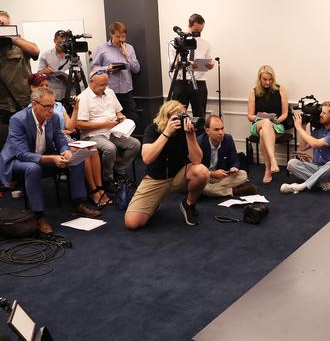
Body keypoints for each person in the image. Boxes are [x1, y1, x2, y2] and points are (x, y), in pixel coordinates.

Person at [0, 87, 100, 234]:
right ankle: (39, 216)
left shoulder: (52, 117)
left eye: (53, 106)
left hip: (42, 155)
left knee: (75, 159)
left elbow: (60, 140)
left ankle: (77, 203)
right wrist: (52, 158)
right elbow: (22, 154)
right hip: (16, 161)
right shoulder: (18, 120)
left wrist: (65, 151)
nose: (51, 110)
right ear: (34, 104)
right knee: (33, 168)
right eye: (47, 106)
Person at [28, 74, 110, 207]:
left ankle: (99, 188)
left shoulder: (58, 105)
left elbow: (70, 127)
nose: (45, 88)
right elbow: (48, 132)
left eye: (47, 85)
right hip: (52, 143)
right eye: (41, 85)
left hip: (64, 140)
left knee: (93, 150)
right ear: (32, 88)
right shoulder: (31, 110)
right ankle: (93, 190)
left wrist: (76, 108)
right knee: (82, 152)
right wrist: (62, 133)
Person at [124, 100, 209, 229]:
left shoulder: (185, 131)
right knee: (132, 223)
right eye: (178, 117)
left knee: (202, 171)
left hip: (178, 176)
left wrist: (190, 135)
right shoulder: (152, 129)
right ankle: (154, 202)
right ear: (167, 117)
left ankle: (189, 204)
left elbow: (197, 160)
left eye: (184, 115)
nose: (182, 120)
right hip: (156, 179)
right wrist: (166, 134)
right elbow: (147, 158)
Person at [76, 71, 141, 189]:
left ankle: (120, 171)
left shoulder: (110, 92)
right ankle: (108, 178)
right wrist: (104, 124)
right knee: (110, 148)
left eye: (106, 84)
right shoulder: (83, 98)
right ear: (91, 82)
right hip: (93, 135)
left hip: (113, 131)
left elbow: (118, 111)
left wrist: (120, 116)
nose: (104, 88)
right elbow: (80, 124)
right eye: (101, 85)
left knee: (135, 144)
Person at [281, 101, 330, 194]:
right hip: (315, 167)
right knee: (291, 163)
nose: (320, 115)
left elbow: (316, 144)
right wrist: (303, 126)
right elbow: (303, 147)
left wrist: (298, 128)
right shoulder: (318, 130)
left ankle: (301, 186)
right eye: (321, 112)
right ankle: (324, 184)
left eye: (324, 113)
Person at [1, 10, 40, 147]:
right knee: (5, 143)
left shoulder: (19, 43)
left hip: (23, 101)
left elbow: (35, 50)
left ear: (10, 25)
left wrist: (14, 39)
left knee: (28, 140)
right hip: (2, 105)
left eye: (3, 24)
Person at [247, 65, 289, 183]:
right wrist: (261, 117)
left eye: (270, 80)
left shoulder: (280, 90)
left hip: (276, 123)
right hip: (258, 123)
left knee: (263, 134)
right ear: (259, 78)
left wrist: (276, 120)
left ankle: (267, 169)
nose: (267, 82)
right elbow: (250, 116)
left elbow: (285, 114)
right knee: (265, 123)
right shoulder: (253, 91)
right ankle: (273, 161)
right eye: (264, 79)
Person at [198, 115, 257, 197]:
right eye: (216, 130)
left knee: (243, 175)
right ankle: (234, 191)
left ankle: (216, 190)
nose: (221, 133)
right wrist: (211, 174)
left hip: (221, 176)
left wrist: (234, 168)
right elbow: (196, 170)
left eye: (222, 128)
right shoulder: (199, 142)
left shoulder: (227, 139)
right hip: (205, 177)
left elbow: (235, 160)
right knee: (202, 187)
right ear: (207, 131)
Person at [91, 21, 140, 121]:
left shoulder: (129, 48)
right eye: (118, 36)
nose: (121, 39)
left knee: (133, 119)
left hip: (127, 91)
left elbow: (136, 69)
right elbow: (94, 69)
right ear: (111, 34)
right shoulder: (102, 48)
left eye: (123, 36)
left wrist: (127, 55)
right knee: (112, 119)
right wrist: (106, 68)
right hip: (109, 91)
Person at [169, 13, 213, 120]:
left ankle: (199, 136)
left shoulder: (206, 44)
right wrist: (185, 63)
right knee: (177, 116)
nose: (198, 33)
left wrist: (209, 65)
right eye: (196, 30)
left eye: (200, 31)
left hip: (199, 82)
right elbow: (172, 64)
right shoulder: (176, 43)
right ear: (189, 25)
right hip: (181, 82)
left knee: (200, 116)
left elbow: (209, 62)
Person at [37, 30, 72, 102]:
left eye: (64, 43)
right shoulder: (46, 55)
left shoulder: (73, 55)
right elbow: (38, 75)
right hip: (53, 95)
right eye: (60, 43)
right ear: (54, 41)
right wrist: (44, 71)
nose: (62, 45)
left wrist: (73, 78)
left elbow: (80, 76)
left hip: (71, 94)